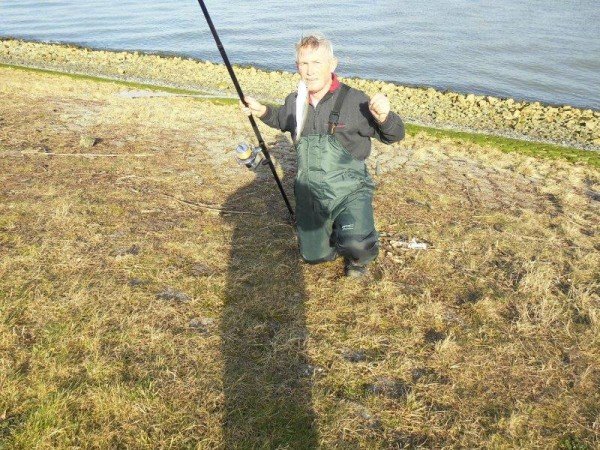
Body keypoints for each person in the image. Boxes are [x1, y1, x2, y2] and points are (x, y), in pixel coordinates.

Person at [242, 33, 405, 277]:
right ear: (297, 66)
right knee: (313, 256)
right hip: (310, 190)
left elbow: (394, 135)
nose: (310, 71)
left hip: (349, 189)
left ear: (333, 64)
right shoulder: (295, 100)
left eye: (317, 63)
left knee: (356, 246)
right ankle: (330, 235)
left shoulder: (356, 101)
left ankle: (357, 256)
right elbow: (282, 119)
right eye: (303, 64)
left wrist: (384, 117)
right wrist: (262, 111)